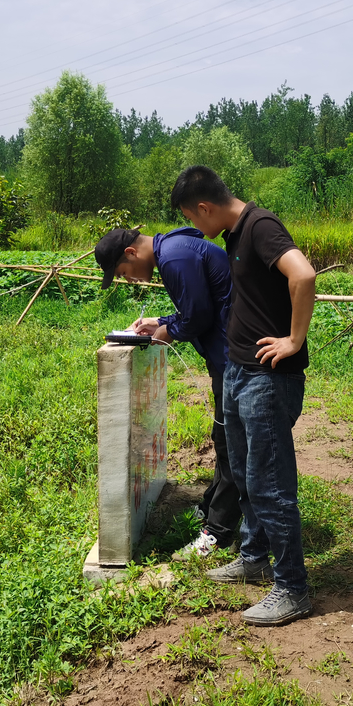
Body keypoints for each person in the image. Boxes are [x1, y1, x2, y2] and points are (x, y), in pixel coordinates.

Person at [169, 165, 317, 627]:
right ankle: (253, 558)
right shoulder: (234, 234)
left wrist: (293, 340)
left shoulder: (261, 227)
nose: (196, 230)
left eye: (193, 220)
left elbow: (304, 275)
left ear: (205, 207)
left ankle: (292, 587)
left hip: (268, 380)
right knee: (244, 474)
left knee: (270, 485)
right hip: (240, 371)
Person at [94, 225, 240, 560]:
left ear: (131, 253)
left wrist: (165, 333)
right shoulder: (176, 249)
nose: (130, 279)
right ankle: (211, 507)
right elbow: (198, 305)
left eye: (123, 273)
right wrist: (161, 321)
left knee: (232, 444)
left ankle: (218, 532)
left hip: (235, 360)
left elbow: (198, 316)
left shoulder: (173, 257)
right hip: (228, 359)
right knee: (223, 438)